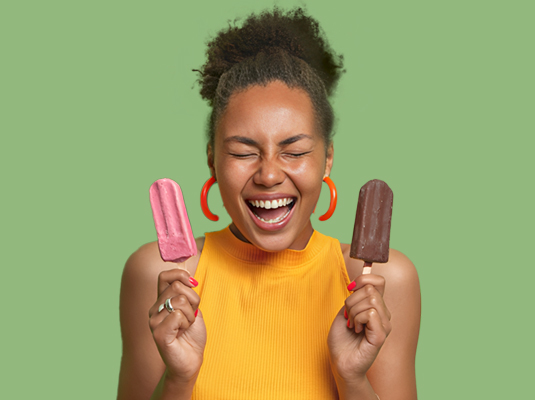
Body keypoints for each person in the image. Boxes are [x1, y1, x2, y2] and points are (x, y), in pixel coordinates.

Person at [117, 7, 421, 400]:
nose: (269, 174)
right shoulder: (161, 278)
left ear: (327, 158)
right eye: (244, 153)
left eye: (294, 151)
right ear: (212, 159)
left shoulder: (383, 281)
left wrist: (351, 379)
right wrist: (179, 379)